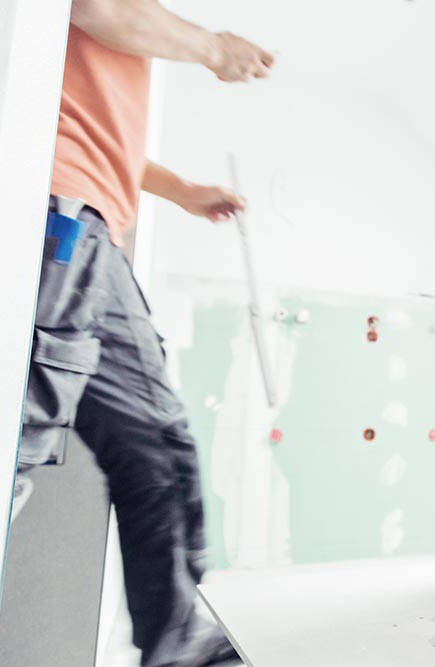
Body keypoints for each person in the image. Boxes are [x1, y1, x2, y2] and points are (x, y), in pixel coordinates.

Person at [19, 1, 274, 664]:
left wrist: (182, 189)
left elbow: (91, 119)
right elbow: (97, 8)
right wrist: (215, 47)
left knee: (157, 441)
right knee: (11, 435)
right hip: (59, 210)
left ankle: (179, 643)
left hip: (92, 222)